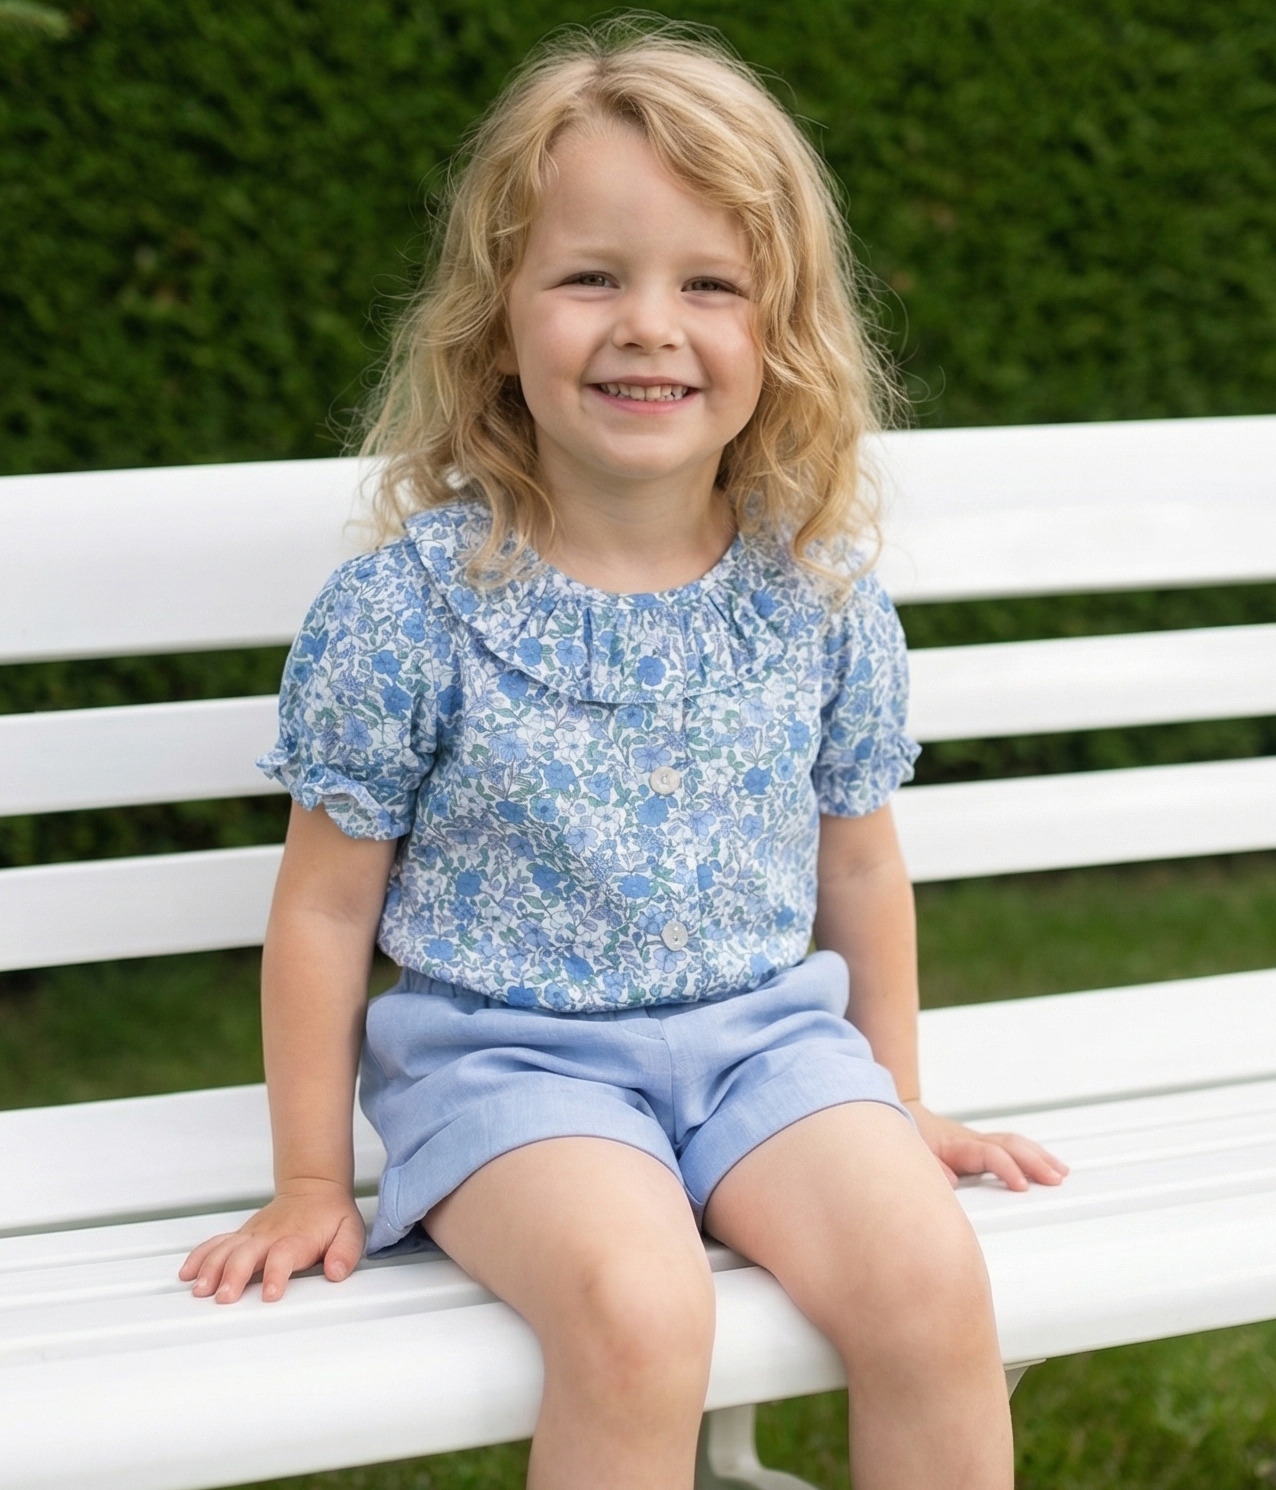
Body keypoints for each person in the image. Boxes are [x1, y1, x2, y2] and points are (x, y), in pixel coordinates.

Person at [180, 21, 1067, 1489]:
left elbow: (858, 856)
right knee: (643, 1311)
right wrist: (308, 1179)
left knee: (928, 1276)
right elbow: (328, 906)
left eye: (710, 284)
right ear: (497, 317)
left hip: (770, 1050)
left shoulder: (817, 597)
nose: (649, 324)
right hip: (511, 1065)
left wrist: (894, 1102)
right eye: (593, 275)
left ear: (779, 334)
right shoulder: (415, 611)